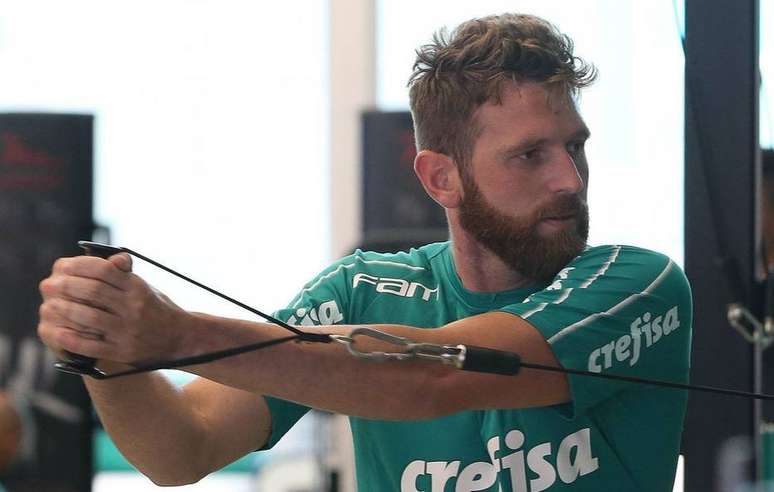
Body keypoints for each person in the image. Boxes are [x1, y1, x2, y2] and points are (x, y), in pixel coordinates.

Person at [36, 13, 692, 492]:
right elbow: (183, 447)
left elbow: (433, 377)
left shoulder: (638, 286)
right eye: (530, 155)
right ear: (441, 178)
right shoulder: (362, 289)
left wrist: (175, 334)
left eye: (574, 146)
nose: (569, 180)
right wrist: (103, 343)